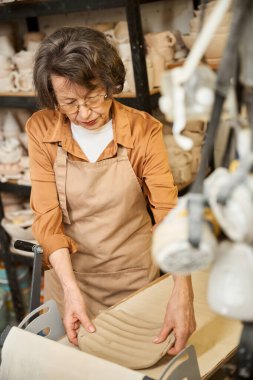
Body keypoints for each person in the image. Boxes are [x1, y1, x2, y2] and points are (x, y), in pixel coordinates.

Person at [26, 26, 196, 354]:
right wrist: (71, 289)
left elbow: (168, 214)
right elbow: (46, 218)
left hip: (133, 279)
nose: (85, 113)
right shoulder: (41, 129)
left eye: (93, 97)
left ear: (109, 83)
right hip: (70, 278)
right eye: (70, 104)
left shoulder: (142, 130)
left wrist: (182, 290)